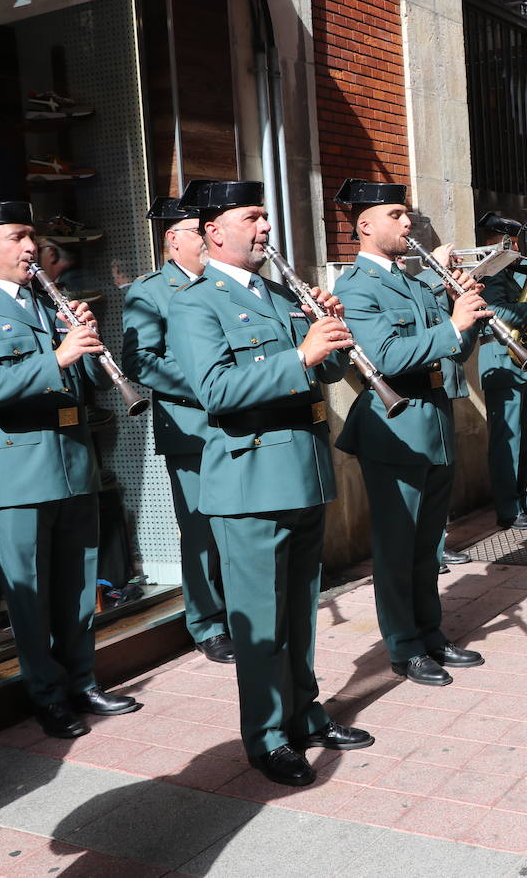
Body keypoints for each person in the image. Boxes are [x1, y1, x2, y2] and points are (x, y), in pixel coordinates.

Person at [166, 180, 371, 786]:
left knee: (300, 614)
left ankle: (305, 712)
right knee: (258, 625)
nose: (265, 228)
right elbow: (216, 391)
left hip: (301, 474)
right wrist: (301, 357)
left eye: (265, 217)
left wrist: (332, 336)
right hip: (249, 481)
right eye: (252, 217)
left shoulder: (278, 294)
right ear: (214, 232)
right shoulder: (194, 302)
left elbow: (322, 370)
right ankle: (267, 736)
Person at [0, 201, 142, 739]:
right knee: (30, 595)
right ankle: (47, 695)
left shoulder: (47, 304)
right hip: (19, 473)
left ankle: (82, 682)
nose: (31, 247)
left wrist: (89, 349)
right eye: (17, 237)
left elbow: (90, 387)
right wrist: (55, 357)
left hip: (74, 464)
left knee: (78, 586)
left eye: (33, 236)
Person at [329, 179, 488, 689]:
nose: (408, 224)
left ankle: (430, 632)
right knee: (397, 547)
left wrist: (469, 314)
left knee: (428, 544)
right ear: (366, 225)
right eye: (397, 215)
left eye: (407, 215)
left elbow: (454, 355)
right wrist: (450, 325)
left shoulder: (417, 283)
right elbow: (386, 358)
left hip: (434, 422)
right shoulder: (356, 286)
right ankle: (404, 647)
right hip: (394, 429)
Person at [121, 196, 233, 663]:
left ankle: (243, 613)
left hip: (237, 421)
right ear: (174, 239)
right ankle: (207, 623)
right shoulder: (151, 290)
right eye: (198, 229)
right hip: (192, 425)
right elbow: (140, 359)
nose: (208, 237)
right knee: (202, 529)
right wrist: (211, 384)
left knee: (237, 525)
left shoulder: (224, 282)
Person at [475, 212, 527, 531]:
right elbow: (497, 313)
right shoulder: (490, 275)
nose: (519, 246)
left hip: (516, 362)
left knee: (520, 439)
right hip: (500, 361)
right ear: (497, 241)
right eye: (512, 240)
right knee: (507, 440)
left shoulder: (508, 274)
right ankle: (509, 509)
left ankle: (522, 500)